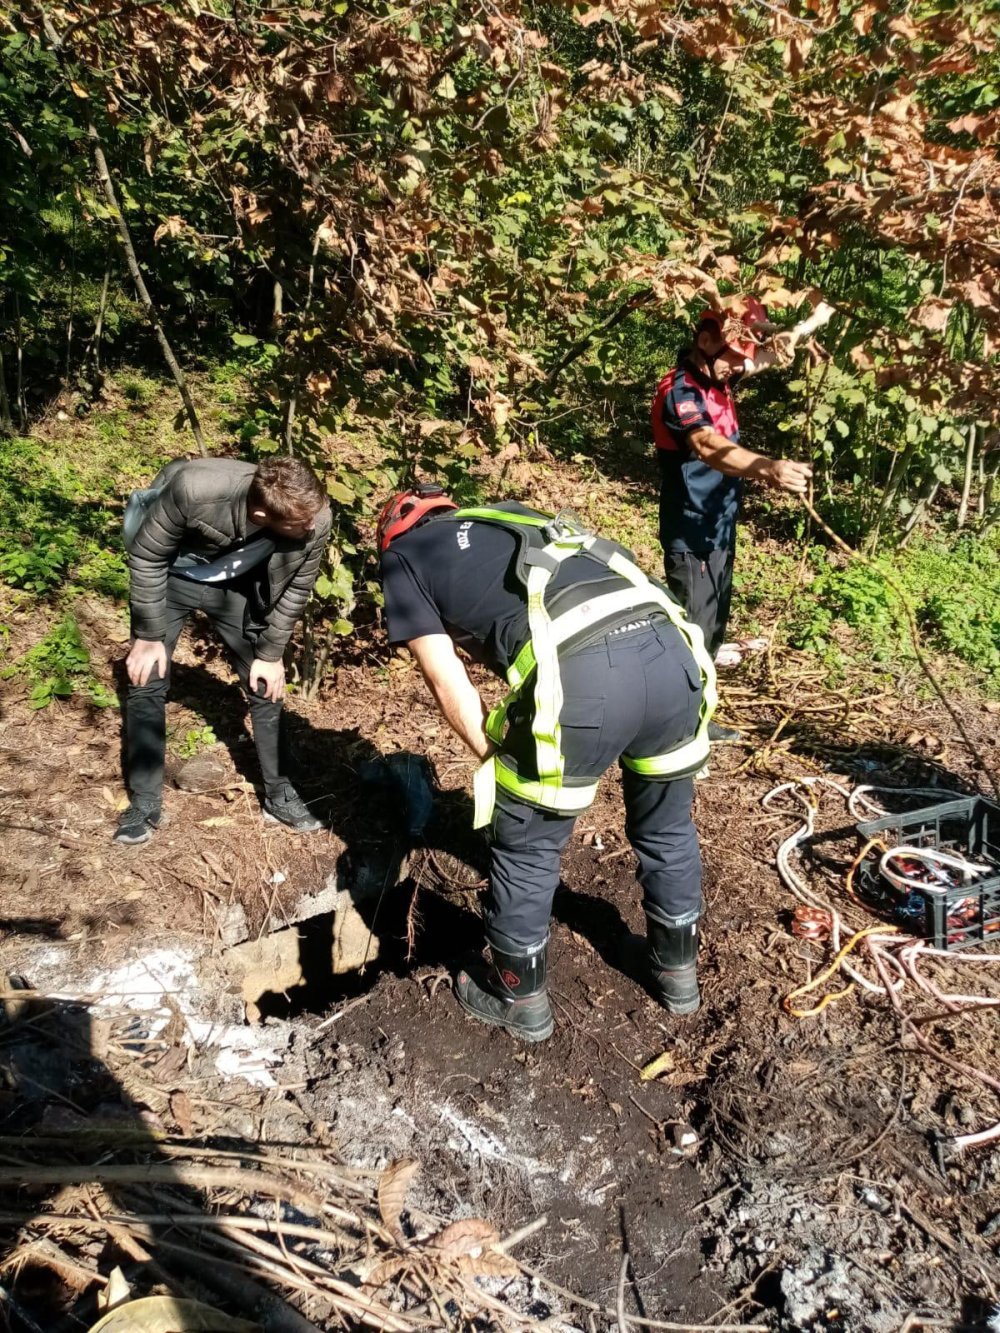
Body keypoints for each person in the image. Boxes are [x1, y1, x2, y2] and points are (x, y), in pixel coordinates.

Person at [377, 486, 718, 1043]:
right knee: (668, 826)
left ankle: (518, 997)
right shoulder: (510, 517)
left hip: (587, 680)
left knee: (528, 847)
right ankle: (676, 973)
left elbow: (446, 679)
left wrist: (495, 757)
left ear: (391, 536)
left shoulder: (403, 559)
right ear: (448, 509)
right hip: (674, 655)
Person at [115, 455, 331, 846]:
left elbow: (296, 589)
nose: (313, 525)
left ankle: (279, 794)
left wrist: (270, 654)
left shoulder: (315, 515)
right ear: (263, 513)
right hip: (171, 578)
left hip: (235, 588)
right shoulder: (195, 490)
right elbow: (146, 555)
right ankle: (144, 803)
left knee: (266, 683)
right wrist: (147, 637)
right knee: (146, 678)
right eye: (301, 523)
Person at [652, 298, 812, 740]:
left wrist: (813, 320)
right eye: (733, 358)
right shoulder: (680, 389)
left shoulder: (718, 374)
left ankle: (696, 717)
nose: (739, 368)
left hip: (720, 525)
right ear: (704, 342)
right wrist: (770, 468)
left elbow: (770, 354)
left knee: (714, 628)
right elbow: (704, 445)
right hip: (692, 529)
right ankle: (676, 729)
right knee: (694, 632)